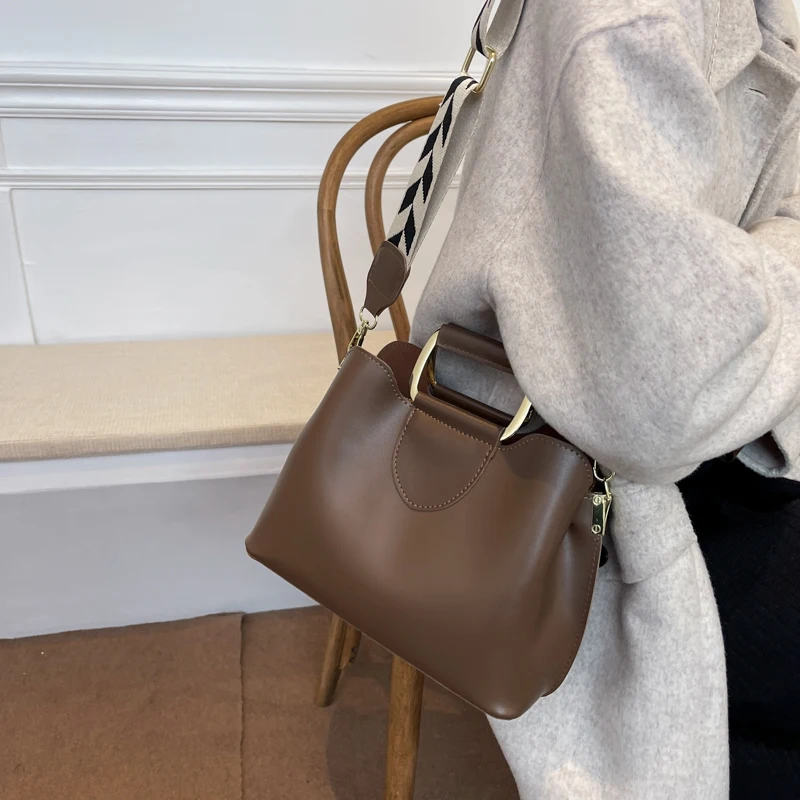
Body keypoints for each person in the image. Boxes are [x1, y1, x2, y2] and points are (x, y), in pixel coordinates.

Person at [412, 0, 800, 797]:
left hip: (673, 425)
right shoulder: (630, 18)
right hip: (563, 457)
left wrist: (739, 295)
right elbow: (659, 404)